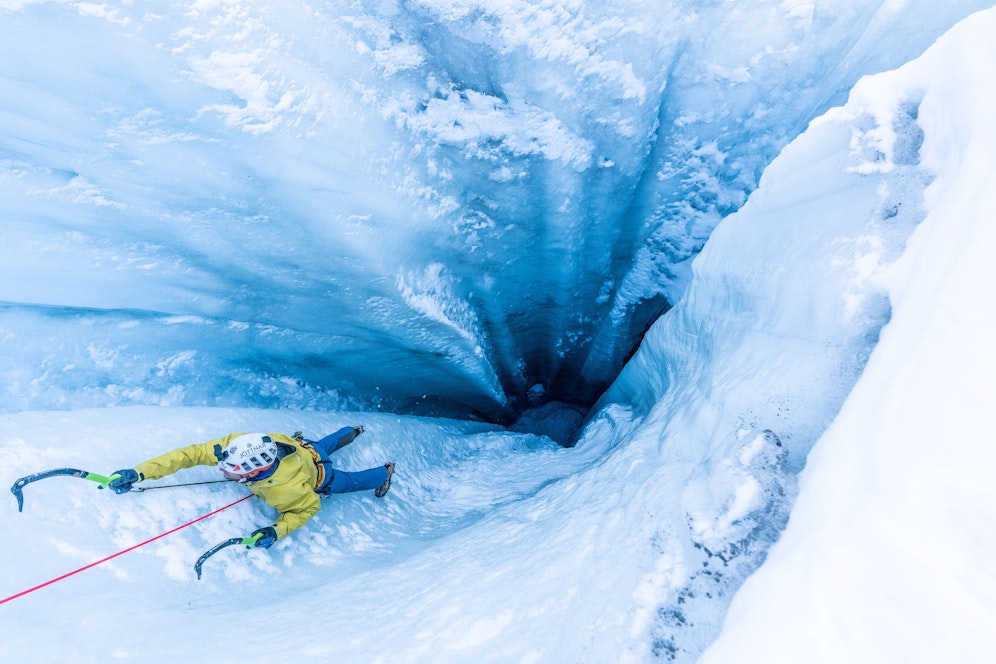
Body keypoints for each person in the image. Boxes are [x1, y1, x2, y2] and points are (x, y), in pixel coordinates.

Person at [107, 426, 394, 549]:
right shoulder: (239, 444)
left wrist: (276, 530)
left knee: (351, 481)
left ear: (256, 471)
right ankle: (354, 431)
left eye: (232, 473)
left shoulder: (289, 489)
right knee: (324, 444)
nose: (224, 471)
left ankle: (384, 473)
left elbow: (308, 508)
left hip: (321, 476)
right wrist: (139, 472)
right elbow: (188, 455)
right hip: (304, 450)